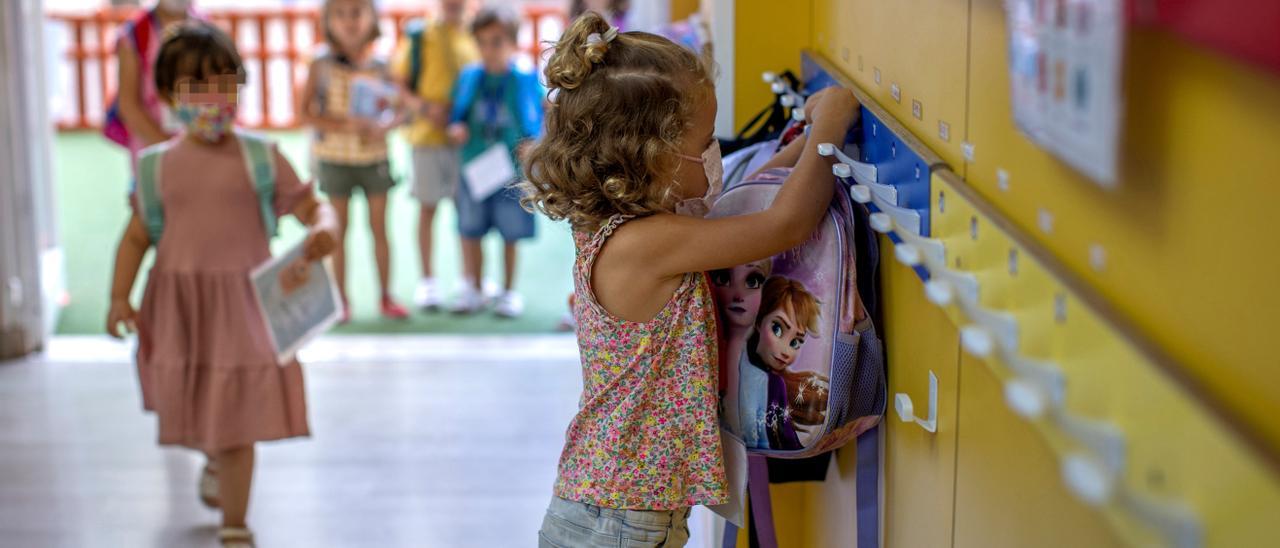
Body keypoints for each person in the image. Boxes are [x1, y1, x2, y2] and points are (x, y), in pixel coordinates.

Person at [521, 11, 858, 546]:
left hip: (619, 508)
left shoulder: (635, 228)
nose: (715, 153)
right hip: (619, 519)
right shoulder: (644, 244)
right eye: (705, 141)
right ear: (654, 157)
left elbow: (742, 202)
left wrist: (804, 144)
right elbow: (784, 224)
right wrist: (831, 127)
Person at [104, 21, 338, 548]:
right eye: (196, 86)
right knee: (194, 405)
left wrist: (324, 229)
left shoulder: (261, 157)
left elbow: (310, 205)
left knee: (236, 419)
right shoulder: (155, 168)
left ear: (239, 86)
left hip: (248, 308)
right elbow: (136, 237)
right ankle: (212, 455)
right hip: (180, 311)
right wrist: (119, 296)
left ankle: (235, 522)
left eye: (224, 83)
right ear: (167, 95)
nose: (213, 98)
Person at [298, 0, 408, 323]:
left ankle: (386, 296)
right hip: (334, 159)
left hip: (374, 158)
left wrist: (384, 126)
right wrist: (346, 126)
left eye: (357, 12)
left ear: (372, 17)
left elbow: (400, 108)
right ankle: (340, 299)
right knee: (338, 230)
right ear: (327, 20)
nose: (349, 21)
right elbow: (305, 113)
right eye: (341, 14)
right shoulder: (319, 64)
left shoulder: (383, 63)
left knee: (379, 229)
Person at [445, 5, 545, 317]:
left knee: (510, 233)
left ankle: (508, 291)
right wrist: (456, 128)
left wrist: (532, 144)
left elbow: (536, 118)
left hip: (510, 172)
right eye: (483, 42)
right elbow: (456, 114)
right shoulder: (470, 77)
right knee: (469, 229)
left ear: (513, 42)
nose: (489, 49)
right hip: (473, 167)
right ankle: (473, 286)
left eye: (497, 41)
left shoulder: (523, 78)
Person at [391, 0, 480, 312]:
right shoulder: (419, 36)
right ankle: (428, 280)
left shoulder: (477, 34)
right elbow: (399, 83)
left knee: (467, 211)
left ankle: (470, 280)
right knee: (428, 207)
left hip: (466, 142)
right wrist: (426, 108)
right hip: (426, 138)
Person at [109, 0, 197, 179]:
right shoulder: (134, 34)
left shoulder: (207, 27)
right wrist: (173, 150)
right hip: (152, 145)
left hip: (200, 144)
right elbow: (128, 105)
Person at [741, 276, 830, 450]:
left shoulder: (774, 383)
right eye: (777, 329)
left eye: (795, 342)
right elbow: (789, 446)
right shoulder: (772, 384)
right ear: (759, 321)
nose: (785, 351)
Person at [709, 259, 771, 434]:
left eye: (752, 282)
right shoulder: (699, 365)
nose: (737, 295)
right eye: (723, 279)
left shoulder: (759, 379)